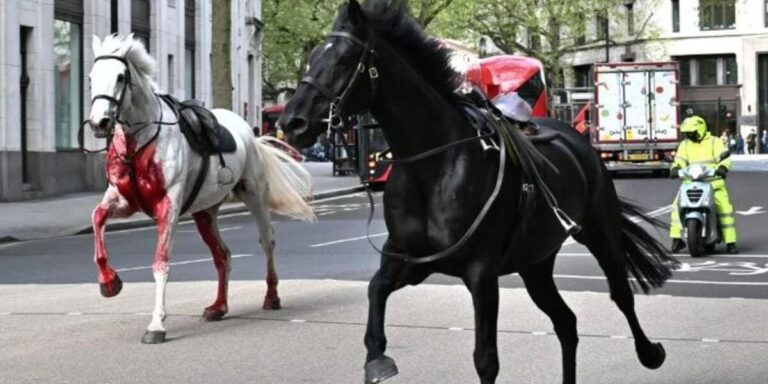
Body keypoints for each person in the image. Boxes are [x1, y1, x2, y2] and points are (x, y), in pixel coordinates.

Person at [669, 115, 738, 254]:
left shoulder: (715, 142)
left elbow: (725, 158)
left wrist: (723, 168)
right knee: (676, 207)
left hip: (713, 183)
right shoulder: (685, 144)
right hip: (690, 183)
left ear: (700, 129)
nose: (689, 135)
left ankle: (731, 242)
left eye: (691, 132)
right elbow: (679, 160)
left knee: (724, 209)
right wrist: (675, 169)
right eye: (687, 133)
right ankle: (677, 240)